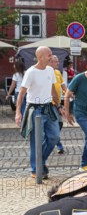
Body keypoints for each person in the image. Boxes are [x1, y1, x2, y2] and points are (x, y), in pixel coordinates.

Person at [15, 46, 62, 179]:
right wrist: (18, 112)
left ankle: (40, 163)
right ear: (40, 57)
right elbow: (21, 93)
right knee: (37, 141)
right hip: (35, 109)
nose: (51, 57)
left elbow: (53, 90)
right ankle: (36, 169)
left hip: (49, 107)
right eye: (49, 55)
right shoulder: (31, 72)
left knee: (54, 137)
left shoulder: (50, 70)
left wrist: (58, 106)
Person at [48, 54, 68, 155]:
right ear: (50, 62)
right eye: (56, 61)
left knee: (59, 124)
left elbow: (63, 85)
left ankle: (54, 140)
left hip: (58, 103)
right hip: (49, 104)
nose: (58, 63)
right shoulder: (46, 73)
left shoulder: (57, 73)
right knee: (55, 125)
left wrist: (68, 93)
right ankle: (59, 145)